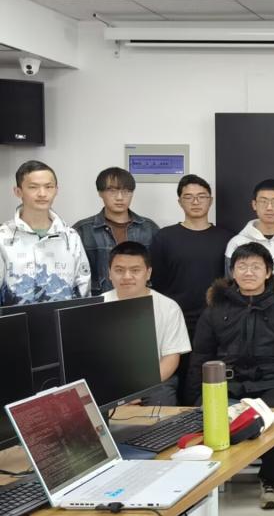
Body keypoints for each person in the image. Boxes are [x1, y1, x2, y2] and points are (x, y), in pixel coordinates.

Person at [189, 242, 274, 509]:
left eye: (256, 266)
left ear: (268, 272)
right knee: (208, 413)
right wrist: (193, 397)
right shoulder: (215, 310)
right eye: (242, 266)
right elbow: (200, 357)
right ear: (232, 272)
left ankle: (271, 480)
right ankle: (213, 478)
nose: (249, 272)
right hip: (228, 382)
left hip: (273, 381)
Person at [148, 175, 233, 381]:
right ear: (180, 202)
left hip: (216, 320)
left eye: (202, 196)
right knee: (177, 378)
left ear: (210, 201)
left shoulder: (227, 238)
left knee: (211, 378)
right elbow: (156, 282)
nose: (196, 202)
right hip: (176, 321)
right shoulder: (164, 237)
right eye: (188, 197)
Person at [102, 241, 190, 405]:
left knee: (161, 403)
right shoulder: (97, 305)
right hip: (107, 381)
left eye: (135, 270)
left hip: (156, 381)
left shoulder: (168, 307)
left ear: (148, 273)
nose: (127, 276)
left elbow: (170, 358)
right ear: (109, 273)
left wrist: (137, 389)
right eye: (119, 270)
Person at [0, 160, 90, 304]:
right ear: (18, 191)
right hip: (15, 317)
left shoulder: (70, 236)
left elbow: (83, 288)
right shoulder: (3, 236)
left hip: (63, 317)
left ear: (56, 190)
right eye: (33, 187)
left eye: (49, 187)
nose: (42, 194)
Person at [73, 167, 160, 296]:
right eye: (112, 191)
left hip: (141, 301)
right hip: (100, 302)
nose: (120, 197)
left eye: (126, 191)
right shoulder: (82, 230)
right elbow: (74, 276)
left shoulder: (149, 228)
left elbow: (159, 272)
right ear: (100, 192)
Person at [225, 179, 274, 279]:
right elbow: (230, 282)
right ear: (254, 205)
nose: (269, 207)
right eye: (263, 201)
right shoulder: (237, 243)